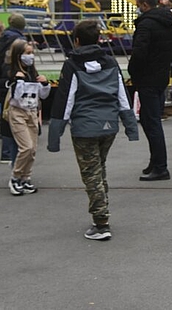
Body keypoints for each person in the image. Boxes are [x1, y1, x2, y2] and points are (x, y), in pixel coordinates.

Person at [48, 20, 139, 241]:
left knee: (91, 174)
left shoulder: (72, 65)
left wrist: (54, 136)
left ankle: (101, 223)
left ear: (76, 40)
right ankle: (102, 211)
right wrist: (131, 127)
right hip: (109, 125)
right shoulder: (110, 62)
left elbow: (65, 100)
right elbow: (122, 96)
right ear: (99, 38)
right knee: (99, 169)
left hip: (84, 127)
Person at [128, 0, 172, 181]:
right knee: (152, 119)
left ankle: (160, 166)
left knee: (152, 122)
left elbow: (139, 52)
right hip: (161, 76)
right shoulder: (169, 23)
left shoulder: (145, 25)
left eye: (138, 5)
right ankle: (155, 160)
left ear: (144, 5)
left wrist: (133, 72)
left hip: (147, 78)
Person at [4, 39, 50, 195]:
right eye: (27, 53)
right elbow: (15, 97)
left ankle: (26, 178)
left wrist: (45, 84)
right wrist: (18, 80)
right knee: (26, 147)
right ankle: (15, 177)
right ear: (18, 55)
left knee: (33, 150)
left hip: (32, 112)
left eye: (32, 53)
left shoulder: (33, 73)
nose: (30, 57)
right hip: (18, 112)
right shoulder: (14, 74)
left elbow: (43, 95)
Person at [0, 13, 27, 164]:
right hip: (14, 79)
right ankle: (15, 152)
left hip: (1, 80)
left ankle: (6, 152)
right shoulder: (19, 40)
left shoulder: (2, 37)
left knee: (6, 115)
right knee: (17, 115)